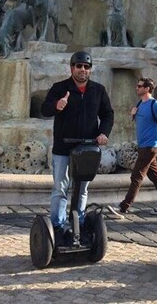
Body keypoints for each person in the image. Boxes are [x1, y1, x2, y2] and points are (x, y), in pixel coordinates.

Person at [40, 51, 114, 243]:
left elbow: (108, 114)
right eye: (79, 66)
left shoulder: (98, 90)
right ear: (72, 68)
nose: (83, 70)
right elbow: (44, 109)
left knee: (82, 189)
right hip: (63, 147)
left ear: (90, 70)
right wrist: (57, 105)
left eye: (86, 67)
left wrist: (103, 133)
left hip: (87, 148)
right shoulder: (60, 88)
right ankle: (57, 226)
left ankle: (79, 224)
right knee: (60, 188)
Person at [107, 77, 157, 218]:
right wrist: (133, 114)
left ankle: (123, 207)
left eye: (139, 86)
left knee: (136, 176)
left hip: (151, 147)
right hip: (143, 146)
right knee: (156, 178)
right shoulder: (140, 104)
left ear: (147, 88)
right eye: (137, 85)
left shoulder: (156, 105)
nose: (136, 88)